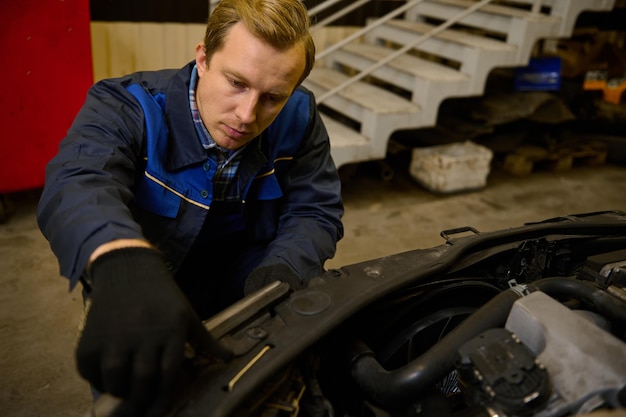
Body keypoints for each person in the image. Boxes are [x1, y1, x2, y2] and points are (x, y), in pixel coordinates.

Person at [37, 0, 344, 415]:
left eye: (273, 97)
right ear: (203, 57)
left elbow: (316, 209)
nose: (247, 114)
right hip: (149, 275)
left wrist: (286, 270)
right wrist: (117, 259)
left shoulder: (301, 116)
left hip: (249, 276)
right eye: (236, 82)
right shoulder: (128, 107)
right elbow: (76, 182)